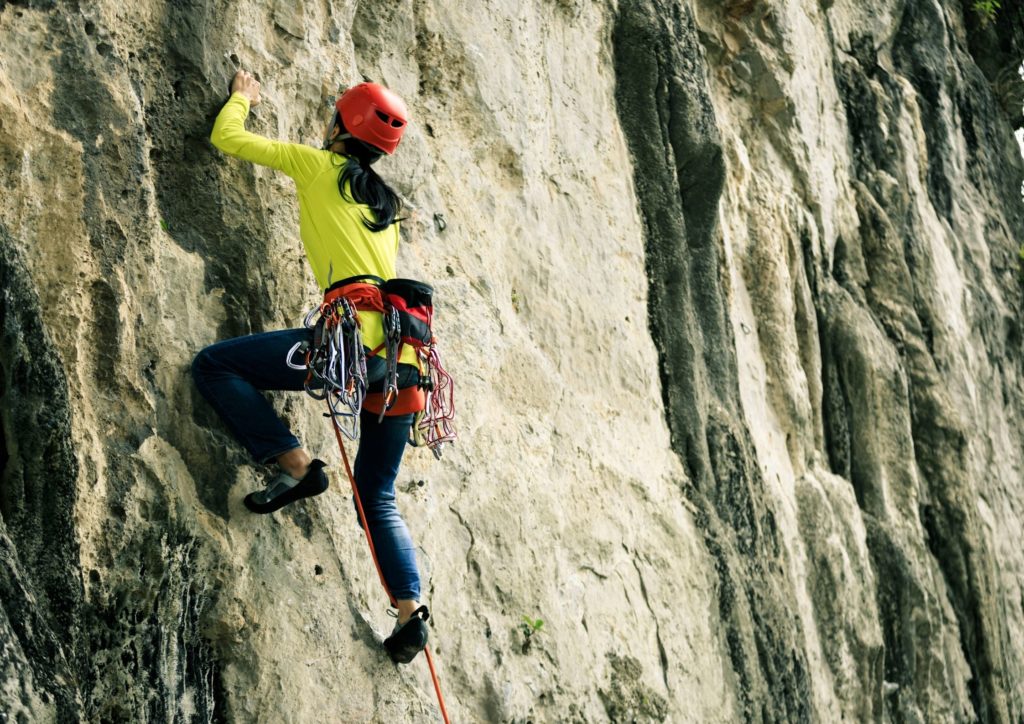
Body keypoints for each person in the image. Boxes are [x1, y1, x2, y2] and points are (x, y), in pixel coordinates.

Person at [191, 69, 429, 663]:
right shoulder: (386, 204)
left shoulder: (320, 167)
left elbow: (229, 138)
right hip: (401, 359)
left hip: (346, 347)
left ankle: (297, 466)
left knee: (215, 367)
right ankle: (409, 613)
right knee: (377, 491)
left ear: (341, 126)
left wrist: (243, 94)